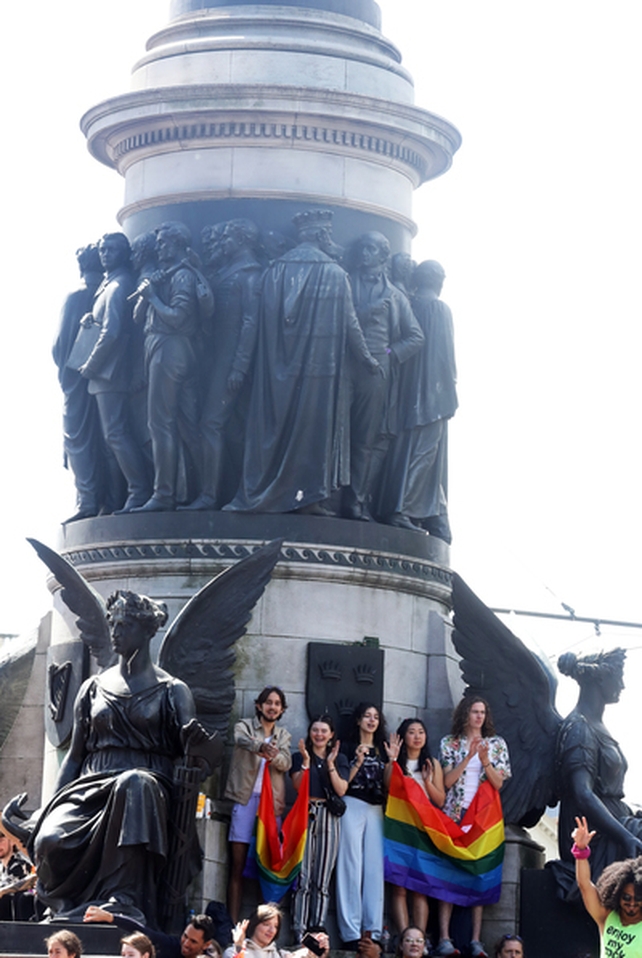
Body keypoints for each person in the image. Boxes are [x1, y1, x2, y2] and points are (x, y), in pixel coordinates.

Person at [14, 590, 217, 927]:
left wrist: (199, 745)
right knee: (50, 838)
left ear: (146, 630)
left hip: (148, 786)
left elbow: (198, 754)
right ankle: (63, 909)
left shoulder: (173, 690)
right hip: (91, 783)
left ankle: (123, 900)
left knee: (133, 785)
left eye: (125, 625)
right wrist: (45, 810)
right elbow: (74, 757)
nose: (115, 632)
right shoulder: (92, 688)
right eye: (113, 624)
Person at [225, 208, 381, 515]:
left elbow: (253, 322)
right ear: (322, 235)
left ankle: (261, 491)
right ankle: (309, 498)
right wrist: (368, 358)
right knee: (313, 431)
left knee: (272, 428)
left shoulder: (273, 271)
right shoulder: (336, 274)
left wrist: (241, 366)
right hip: (318, 372)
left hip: (273, 370)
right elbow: (351, 324)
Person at [182, 218, 262, 511]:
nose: (223, 242)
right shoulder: (230, 270)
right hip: (216, 358)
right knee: (234, 430)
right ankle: (241, 489)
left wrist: (239, 367)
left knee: (211, 424)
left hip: (230, 361)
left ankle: (210, 495)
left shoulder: (250, 274)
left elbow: (250, 323)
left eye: (228, 237)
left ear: (242, 240)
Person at [344, 232, 424, 521]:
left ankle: (355, 502)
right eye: (362, 248)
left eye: (371, 249)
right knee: (336, 434)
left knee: (365, 438)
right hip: (344, 366)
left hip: (376, 370)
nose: (364, 253)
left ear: (383, 256)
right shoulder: (345, 281)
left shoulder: (396, 296)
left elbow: (416, 336)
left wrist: (390, 353)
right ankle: (327, 499)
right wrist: (369, 312)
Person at [377, 260, 457, 541]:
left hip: (406, 391)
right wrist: (448, 395)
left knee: (411, 451)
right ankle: (401, 508)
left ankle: (429, 514)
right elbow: (445, 358)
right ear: (439, 280)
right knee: (424, 453)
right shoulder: (439, 309)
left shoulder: (407, 303)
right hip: (433, 396)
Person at [132, 221, 209, 512]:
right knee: (186, 426)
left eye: (163, 243)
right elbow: (137, 317)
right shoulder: (163, 275)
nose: (159, 248)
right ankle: (202, 491)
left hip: (171, 348)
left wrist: (153, 297)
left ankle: (164, 494)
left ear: (177, 244)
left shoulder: (183, 277)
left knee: (160, 422)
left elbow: (177, 318)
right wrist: (147, 293)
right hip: (160, 346)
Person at [553, 649, 642, 895]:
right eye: (618, 677)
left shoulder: (596, 725)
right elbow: (582, 794)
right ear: (601, 679)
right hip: (594, 833)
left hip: (615, 821)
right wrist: (625, 836)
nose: (622, 685)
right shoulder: (579, 728)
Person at [79, 232, 152, 514]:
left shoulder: (119, 285)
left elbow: (112, 333)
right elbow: (105, 323)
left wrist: (91, 365)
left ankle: (138, 490)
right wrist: (91, 317)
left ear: (124, 253)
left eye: (112, 249)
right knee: (112, 438)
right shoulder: (109, 285)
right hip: (107, 375)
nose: (106, 254)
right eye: (103, 249)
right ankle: (119, 497)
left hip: (111, 374)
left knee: (116, 435)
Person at [435, 696, 511, 958]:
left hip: (483, 819)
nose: (479, 716)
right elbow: (446, 781)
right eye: (474, 711)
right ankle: (444, 937)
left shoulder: (496, 744)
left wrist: (485, 760)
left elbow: (498, 783)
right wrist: (468, 758)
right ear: (465, 714)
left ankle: (476, 940)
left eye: (483, 712)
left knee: (479, 875)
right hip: (454, 815)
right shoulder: (449, 743)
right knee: (448, 873)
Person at [224, 687, 292, 922]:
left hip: (271, 806)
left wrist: (273, 755)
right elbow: (240, 740)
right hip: (244, 800)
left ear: (282, 709)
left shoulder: (283, 735)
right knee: (237, 866)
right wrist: (260, 746)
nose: (272, 707)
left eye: (277, 704)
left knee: (268, 868)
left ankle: (266, 927)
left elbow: (286, 762)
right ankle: (233, 926)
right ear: (259, 706)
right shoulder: (244, 725)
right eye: (268, 702)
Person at [52, 243, 108, 522]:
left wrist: (66, 376)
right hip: (106, 377)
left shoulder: (76, 296)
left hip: (77, 379)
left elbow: (60, 346)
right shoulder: (108, 292)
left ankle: (87, 501)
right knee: (105, 437)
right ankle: (104, 499)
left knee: (78, 438)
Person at [384, 719, 445, 938]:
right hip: (400, 829)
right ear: (403, 736)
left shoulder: (432, 763)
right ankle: (404, 938)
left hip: (424, 830)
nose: (417, 736)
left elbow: (440, 799)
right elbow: (387, 786)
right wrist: (392, 760)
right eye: (411, 732)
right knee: (399, 887)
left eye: (421, 732)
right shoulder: (396, 763)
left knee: (420, 888)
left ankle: (418, 939)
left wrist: (427, 782)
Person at [290, 713, 349, 939]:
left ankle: (317, 930)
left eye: (324, 731)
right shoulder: (299, 756)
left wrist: (331, 764)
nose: (319, 735)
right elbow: (297, 786)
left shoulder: (340, 759)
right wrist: (306, 763)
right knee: (303, 877)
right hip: (305, 812)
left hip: (329, 816)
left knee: (322, 878)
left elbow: (341, 789)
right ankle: (299, 929)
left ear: (331, 735)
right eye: (315, 730)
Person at [335, 702, 389, 947]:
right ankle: (350, 933)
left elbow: (389, 784)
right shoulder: (346, 747)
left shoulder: (383, 749)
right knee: (350, 865)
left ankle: (373, 932)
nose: (371, 720)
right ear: (358, 720)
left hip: (376, 809)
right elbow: (341, 781)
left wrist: (392, 760)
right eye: (367, 716)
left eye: (375, 716)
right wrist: (356, 760)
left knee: (375, 869)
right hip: (352, 803)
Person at [572, 815, 642, 956]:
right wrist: (581, 849)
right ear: (617, 895)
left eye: (638, 898)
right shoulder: (607, 917)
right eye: (626, 897)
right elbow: (585, 885)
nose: (632, 903)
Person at [84, 906, 219, 958]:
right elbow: (145, 932)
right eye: (185, 936)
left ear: (206, 945)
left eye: (193, 941)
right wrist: (110, 917)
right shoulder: (173, 945)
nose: (186, 943)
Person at [224, 903, 329, 958]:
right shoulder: (232, 951)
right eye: (266, 924)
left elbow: (304, 955)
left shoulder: (280, 955)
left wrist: (318, 948)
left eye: (276, 926)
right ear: (254, 924)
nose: (271, 930)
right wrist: (239, 946)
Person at [0, 825, 35, 920]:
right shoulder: (2, 868)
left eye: (1, 840)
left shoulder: (20, 865)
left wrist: (2, 891)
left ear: (12, 842)